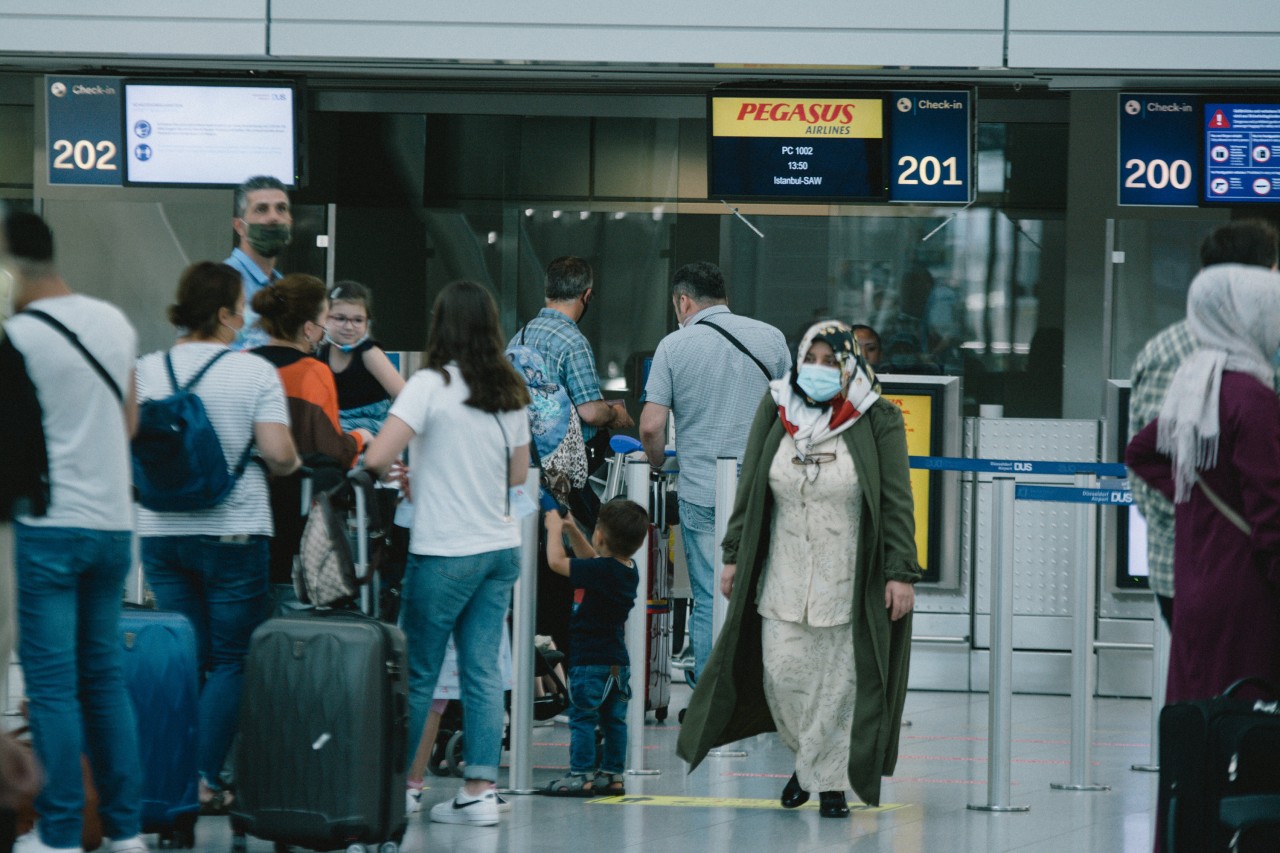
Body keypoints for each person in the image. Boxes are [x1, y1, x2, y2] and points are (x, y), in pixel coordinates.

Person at [676, 320, 920, 817]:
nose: (820, 370)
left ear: (851, 365)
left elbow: (897, 500)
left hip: (848, 579)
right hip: (783, 575)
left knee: (839, 687)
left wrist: (900, 571)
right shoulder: (777, 405)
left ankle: (827, 784)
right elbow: (751, 489)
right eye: (812, 358)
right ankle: (811, 761)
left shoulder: (878, 417)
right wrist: (733, 554)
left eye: (832, 362)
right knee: (782, 676)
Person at [2, 211, 146, 853]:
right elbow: (129, 424)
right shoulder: (113, 322)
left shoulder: (18, 339)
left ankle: (59, 835)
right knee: (105, 683)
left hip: (50, 528)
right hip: (114, 526)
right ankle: (126, 833)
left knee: (53, 687)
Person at [135, 261, 301, 813]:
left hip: (161, 534)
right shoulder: (253, 373)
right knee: (231, 659)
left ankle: (168, 777)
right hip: (234, 531)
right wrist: (293, 460)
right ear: (228, 314)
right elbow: (278, 455)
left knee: (185, 657)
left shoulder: (144, 370)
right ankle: (203, 778)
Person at [364, 280, 531, 828]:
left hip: (444, 553)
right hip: (499, 549)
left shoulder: (428, 385)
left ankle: (398, 792)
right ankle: (479, 791)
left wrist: (379, 458)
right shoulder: (509, 389)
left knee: (419, 673)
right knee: (483, 670)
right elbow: (516, 475)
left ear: (442, 326)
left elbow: (378, 457)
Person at [1126, 263, 1280, 706]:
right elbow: (1270, 514)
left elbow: (1140, 450)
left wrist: (1194, 499)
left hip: (1196, 580)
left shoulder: (1197, 385)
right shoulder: (1253, 399)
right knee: (1244, 716)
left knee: (1200, 713)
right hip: (1246, 591)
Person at [639, 261, 790, 682]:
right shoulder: (771, 338)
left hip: (702, 491)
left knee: (708, 597)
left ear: (683, 301)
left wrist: (656, 461)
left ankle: (710, 704)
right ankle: (759, 694)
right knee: (761, 592)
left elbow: (651, 425)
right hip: (760, 492)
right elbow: (792, 416)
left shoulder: (674, 346)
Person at [508, 256, 634, 660]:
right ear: (587, 294)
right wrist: (616, 413)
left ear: (547, 291)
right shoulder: (572, 341)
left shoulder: (520, 337)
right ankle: (573, 658)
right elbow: (589, 413)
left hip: (523, 468)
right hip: (563, 472)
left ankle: (538, 670)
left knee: (534, 569)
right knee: (574, 558)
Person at [250, 274, 370, 610]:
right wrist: (361, 438)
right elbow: (332, 451)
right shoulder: (313, 372)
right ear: (307, 329)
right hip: (293, 518)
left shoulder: (244, 361)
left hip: (244, 514)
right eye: (323, 322)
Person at [541, 501, 646, 798]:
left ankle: (580, 775)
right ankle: (613, 775)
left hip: (589, 661)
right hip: (617, 663)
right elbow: (592, 558)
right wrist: (573, 528)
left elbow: (556, 562)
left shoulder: (600, 570)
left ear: (599, 535)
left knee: (583, 718)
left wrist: (552, 530)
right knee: (614, 720)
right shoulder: (627, 570)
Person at [317, 280, 406, 433]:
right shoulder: (322, 353)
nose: (349, 326)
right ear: (325, 318)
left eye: (358, 320)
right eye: (340, 318)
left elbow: (405, 396)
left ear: (367, 322)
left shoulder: (369, 353)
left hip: (372, 431)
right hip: (336, 431)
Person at [225, 176, 292, 351]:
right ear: (239, 226)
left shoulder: (284, 288)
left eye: (281, 209)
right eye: (261, 209)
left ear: (290, 222)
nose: (273, 217)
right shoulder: (221, 282)